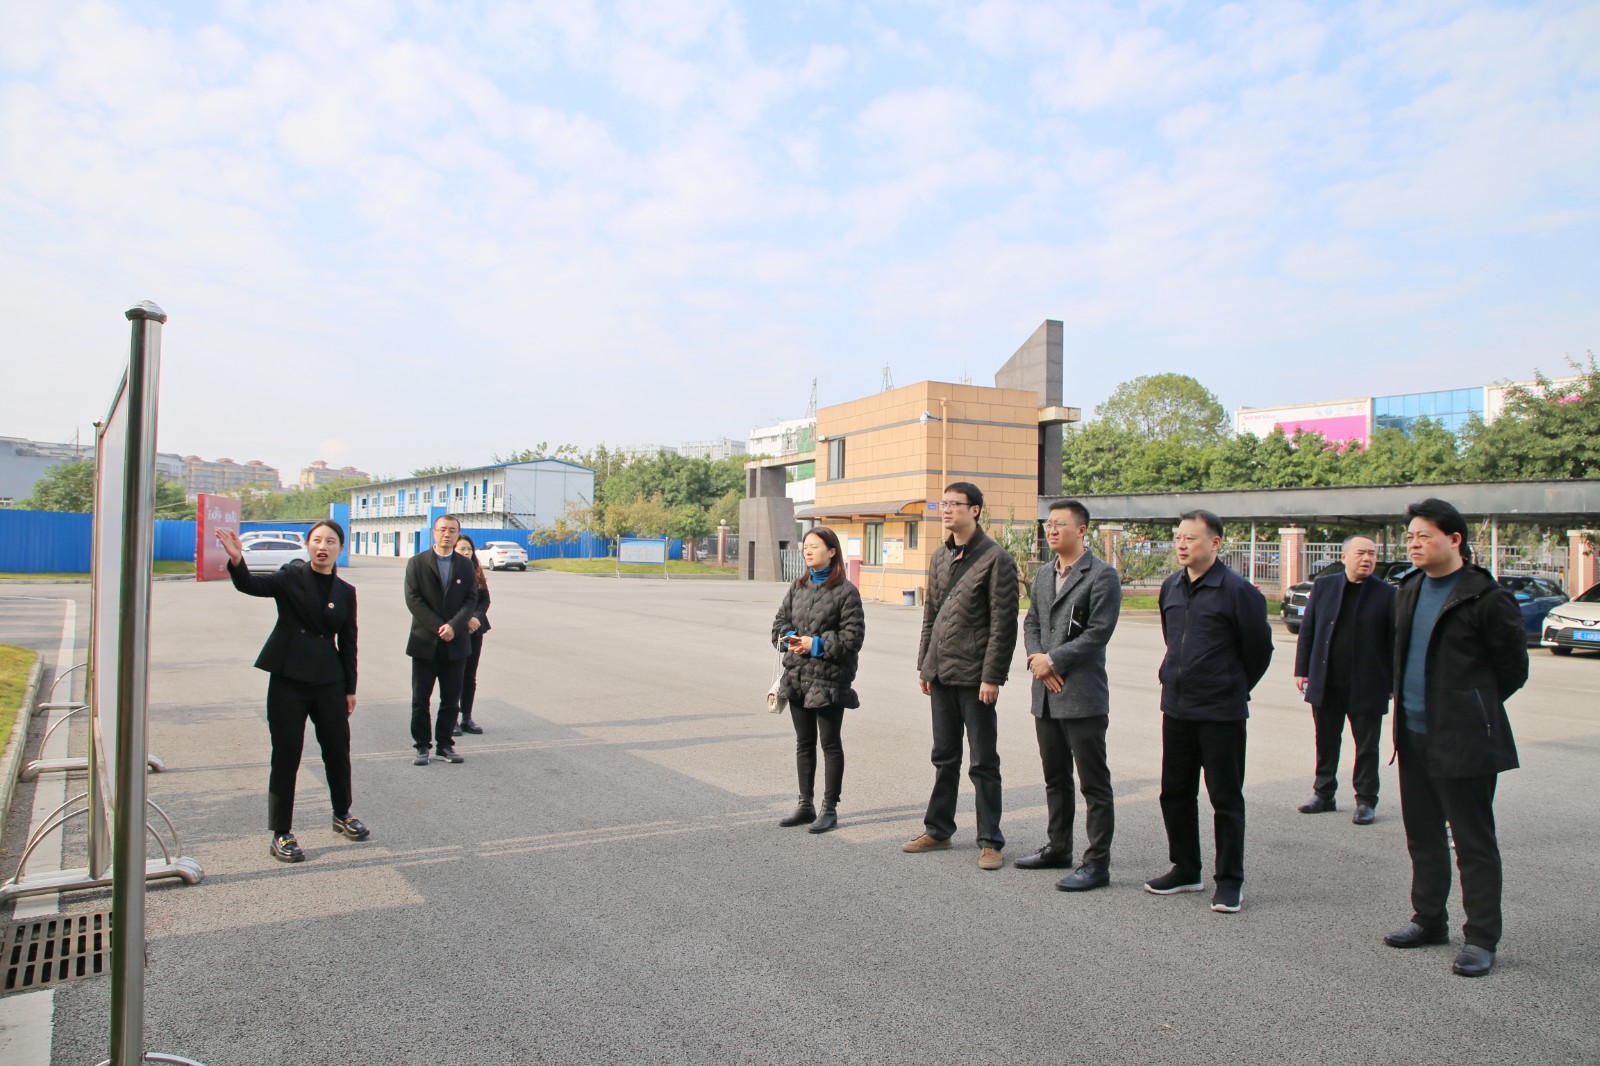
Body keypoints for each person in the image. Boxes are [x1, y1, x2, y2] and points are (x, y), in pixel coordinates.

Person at [1384, 498, 1527, 978]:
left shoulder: (1485, 597)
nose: (1413, 544)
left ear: (1454, 539)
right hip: (1413, 735)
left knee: (1472, 841)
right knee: (1422, 835)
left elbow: (1512, 669)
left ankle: (1481, 938)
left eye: (1423, 536)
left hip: (1464, 740)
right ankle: (1428, 920)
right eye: (1410, 537)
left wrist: (1470, 707)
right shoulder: (1409, 589)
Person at [1144, 509, 1272, 914]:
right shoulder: (1171, 586)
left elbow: (1259, 650)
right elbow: (1173, 639)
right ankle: (1185, 868)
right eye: (1178, 538)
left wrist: (1231, 685)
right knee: (1175, 792)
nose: (1182, 545)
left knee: (1225, 798)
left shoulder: (1238, 591)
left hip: (1221, 712)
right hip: (1177, 708)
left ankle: (1229, 881)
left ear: (1215, 543)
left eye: (1191, 538)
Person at [217, 520, 368, 864]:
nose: (323, 547)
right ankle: (281, 831)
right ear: (308, 545)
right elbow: (251, 585)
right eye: (317, 540)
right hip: (288, 677)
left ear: (340, 548)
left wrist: (350, 688)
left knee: (337, 749)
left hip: (329, 681)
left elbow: (349, 642)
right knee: (287, 754)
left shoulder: (346, 591)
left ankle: (342, 814)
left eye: (330, 541)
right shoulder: (290, 577)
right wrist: (238, 560)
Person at [903, 482, 1019, 871]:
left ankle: (990, 841)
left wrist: (993, 676)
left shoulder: (996, 559)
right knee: (944, 756)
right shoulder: (939, 556)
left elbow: (1003, 624)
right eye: (944, 504)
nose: (947, 510)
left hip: (975, 678)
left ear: (975, 510)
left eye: (955, 504)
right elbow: (931, 615)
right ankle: (938, 830)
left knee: (983, 761)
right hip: (941, 673)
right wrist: (925, 664)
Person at [1017, 499, 1122, 891]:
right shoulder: (1045, 574)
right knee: (1055, 778)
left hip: (1081, 694)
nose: (1051, 530)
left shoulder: (1102, 576)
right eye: (1048, 524)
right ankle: (1058, 847)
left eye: (1060, 524)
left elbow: (1098, 632)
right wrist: (1037, 660)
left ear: (1081, 530)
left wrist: (1054, 661)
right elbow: (1031, 623)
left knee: (1093, 783)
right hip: (1045, 694)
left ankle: (1096, 864)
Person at [1292, 536, 1395, 825]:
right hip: (1327, 680)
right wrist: (1302, 669)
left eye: (1372, 554)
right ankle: (1323, 794)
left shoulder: (1387, 593)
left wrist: (1392, 682)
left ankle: (1366, 800)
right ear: (1345, 556)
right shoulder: (1324, 586)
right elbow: (1308, 629)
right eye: (1361, 553)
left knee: (1367, 746)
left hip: (1368, 683)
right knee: (1326, 740)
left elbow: (1393, 641)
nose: (1367, 558)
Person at [769, 526, 865, 834]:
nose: (808, 551)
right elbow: (779, 624)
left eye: (814, 546)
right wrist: (791, 638)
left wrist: (816, 645)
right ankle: (805, 804)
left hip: (829, 680)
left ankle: (829, 809)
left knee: (830, 743)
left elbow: (852, 638)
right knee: (804, 742)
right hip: (797, 676)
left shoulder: (846, 592)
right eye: (806, 546)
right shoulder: (798, 587)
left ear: (832, 551)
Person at [404, 514, 479, 766]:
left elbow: (471, 599)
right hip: (425, 642)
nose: (447, 534)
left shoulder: (465, 565)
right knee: (420, 700)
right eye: (443, 530)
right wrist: (439, 626)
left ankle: (445, 745)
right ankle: (422, 746)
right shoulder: (417, 563)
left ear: (458, 534)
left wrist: (454, 626)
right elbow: (413, 600)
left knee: (450, 699)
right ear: (434, 533)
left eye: (452, 530)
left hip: (456, 644)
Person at [452, 534, 490, 738]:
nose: (466, 552)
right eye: (462, 549)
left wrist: (475, 618)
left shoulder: (476, 571)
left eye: (469, 549)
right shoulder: (449, 570)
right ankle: (452, 718)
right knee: (454, 675)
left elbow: (485, 600)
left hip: (475, 630)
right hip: (456, 630)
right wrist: (466, 620)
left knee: (469, 676)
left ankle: (467, 717)